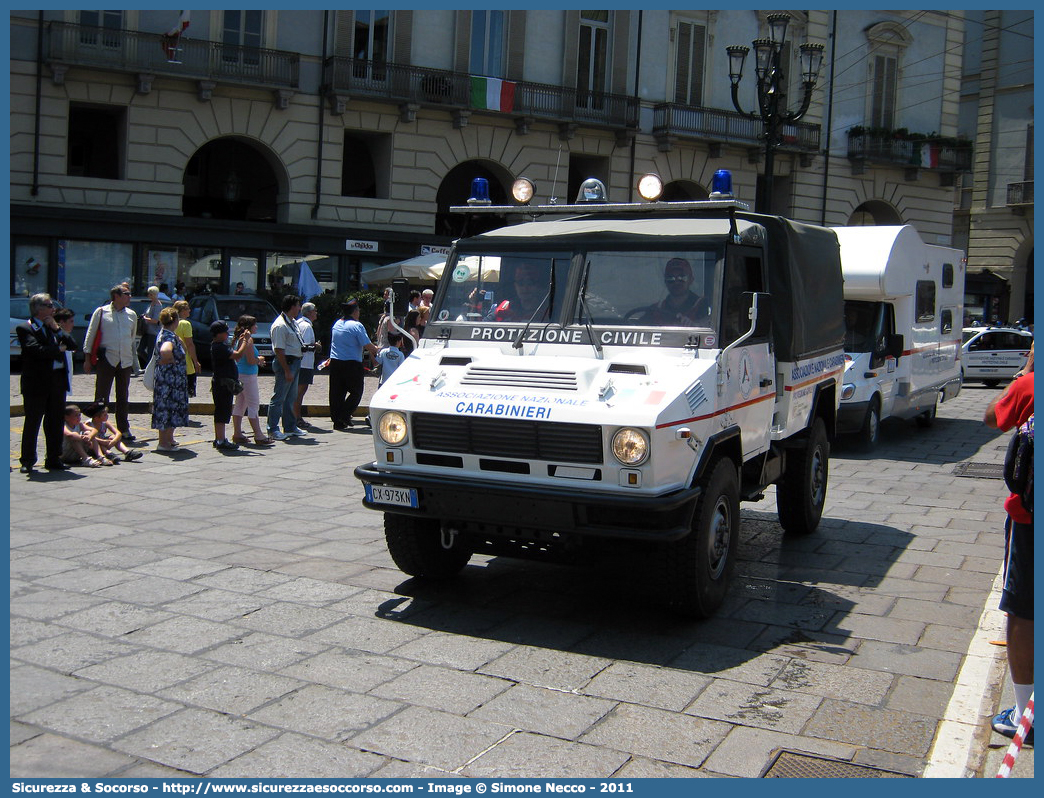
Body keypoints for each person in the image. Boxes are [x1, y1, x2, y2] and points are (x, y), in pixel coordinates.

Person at [984, 367, 1034, 746]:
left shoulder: (1031, 385)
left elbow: (992, 418)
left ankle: (1023, 715)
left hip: (1031, 522)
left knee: (1023, 609)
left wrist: (1028, 372)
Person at [17, 293, 78, 473]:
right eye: (49, 305)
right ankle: (27, 460)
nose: (53, 309)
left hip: (56, 380)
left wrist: (58, 329)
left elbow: (73, 344)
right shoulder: (26, 328)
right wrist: (57, 349)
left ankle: (53, 458)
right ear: (39, 308)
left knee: (54, 422)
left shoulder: (53, 327)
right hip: (36, 383)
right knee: (33, 422)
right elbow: (34, 350)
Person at [83, 284, 139, 441]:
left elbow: (132, 338)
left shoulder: (132, 314)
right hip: (107, 358)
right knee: (101, 396)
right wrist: (87, 359)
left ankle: (123, 428)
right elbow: (91, 334)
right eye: (126, 294)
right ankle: (98, 427)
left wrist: (135, 362)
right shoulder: (101, 312)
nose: (130, 297)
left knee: (123, 396)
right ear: (117, 296)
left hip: (125, 360)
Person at [325, 299, 377, 429]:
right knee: (356, 392)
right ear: (355, 312)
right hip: (351, 363)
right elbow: (366, 344)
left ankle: (338, 419)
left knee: (337, 392)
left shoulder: (337, 323)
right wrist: (376, 350)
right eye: (358, 310)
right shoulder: (356, 326)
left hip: (336, 362)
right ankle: (344, 414)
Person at [267, 294, 308, 440]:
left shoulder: (292, 322)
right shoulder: (280, 325)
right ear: (292, 306)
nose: (299, 308)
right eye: (297, 305)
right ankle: (272, 428)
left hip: (295, 361)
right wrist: (286, 370)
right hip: (287, 363)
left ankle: (290, 426)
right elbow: (279, 350)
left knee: (291, 397)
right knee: (279, 397)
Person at [152, 307, 190, 452]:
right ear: (175, 320)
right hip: (169, 381)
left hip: (170, 380)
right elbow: (165, 350)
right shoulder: (168, 337)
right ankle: (163, 443)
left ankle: (168, 439)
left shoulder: (167, 334)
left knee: (171, 409)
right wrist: (171, 360)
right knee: (167, 409)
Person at [230, 315, 273, 445]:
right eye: (255, 325)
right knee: (253, 404)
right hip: (248, 375)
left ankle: (237, 433)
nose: (257, 327)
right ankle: (258, 434)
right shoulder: (248, 340)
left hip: (241, 373)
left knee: (240, 404)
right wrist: (259, 360)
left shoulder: (239, 338)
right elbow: (250, 360)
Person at [633, 257, 710, 327]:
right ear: (665, 282)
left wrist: (696, 325)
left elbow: (713, 325)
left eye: (682, 278)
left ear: (691, 280)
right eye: (671, 278)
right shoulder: (655, 310)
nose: (676, 282)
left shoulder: (704, 306)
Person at [209, 320, 240, 450]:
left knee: (222, 411)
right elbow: (237, 355)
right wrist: (244, 342)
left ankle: (219, 438)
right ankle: (221, 439)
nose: (227, 334)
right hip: (222, 384)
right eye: (225, 332)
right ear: (218, 334)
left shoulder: (221, 345)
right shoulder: (219, 347)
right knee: (222, 412)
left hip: (222, 383)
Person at [294, 302, 322, 429]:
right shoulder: (306, 326)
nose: (316, 313)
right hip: (304, 363)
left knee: (298, 391)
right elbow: (304, 346)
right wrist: (316, 346)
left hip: (302, 363)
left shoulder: (299, 323)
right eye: (315, 310)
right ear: (309, 312)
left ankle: (295, 416)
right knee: (300, 392)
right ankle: (296, 417)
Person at [172, 300, 201, 398]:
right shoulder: (185, 324)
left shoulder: (171, 323)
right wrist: (195, 362)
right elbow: (189, 344)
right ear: (182, 310)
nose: (190, 310)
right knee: (186, 394)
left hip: (173, 360)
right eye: (187, 308)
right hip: (185, 362)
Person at [52, 307, 76, 393]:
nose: (73, 324)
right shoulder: (56, 339)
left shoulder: (68, 340)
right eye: (71, 321)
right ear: (61, 322)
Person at [139, 286, 163, 365]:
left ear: (153, 294)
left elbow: (156, 320)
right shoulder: (151, 304)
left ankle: (151, 368)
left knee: (150, 352)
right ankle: (152, 364)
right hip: (146, 331)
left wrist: (145, 318)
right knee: (140, 350)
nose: (148, 296)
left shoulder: (158, 305)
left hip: (153, 332)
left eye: (150, 294)